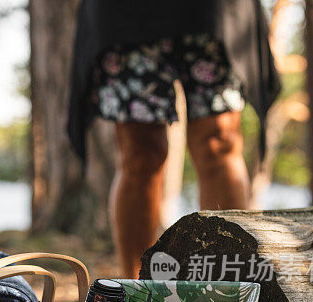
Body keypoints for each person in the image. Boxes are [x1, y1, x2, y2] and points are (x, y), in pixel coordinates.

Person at [68, 0, 280, 278]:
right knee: (139, 153)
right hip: (124, 14)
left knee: (219, 141)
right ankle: (137, 295)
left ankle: (229, 294)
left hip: (213, 11)